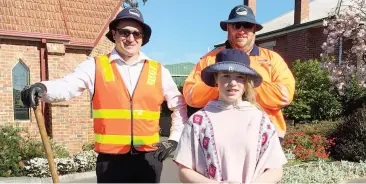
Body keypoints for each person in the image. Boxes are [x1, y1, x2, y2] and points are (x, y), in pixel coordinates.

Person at [20, 7, 188, 183]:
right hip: (111, 162)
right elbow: (67, 86)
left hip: (149, 159)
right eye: (125, 32)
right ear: (114, 34)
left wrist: (174, 139)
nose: (131, 38)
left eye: (136, 34)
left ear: (142, 38)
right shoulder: (95, 66)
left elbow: (179, 105)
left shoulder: (158, 70)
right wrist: (42, 88)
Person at [183, 5, 295, 142]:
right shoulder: (209, 59)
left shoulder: (272, 59)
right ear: (228, 29)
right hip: (218, 134)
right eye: (236, 25)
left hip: (266, 134)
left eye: (247, 25)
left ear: (254, 29)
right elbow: (190, 94)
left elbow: (285, 95)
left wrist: (247, 84)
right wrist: (225, 87)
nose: (242, 30)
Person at [174, 49, 287, 183]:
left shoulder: (261, 121)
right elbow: (184, 170)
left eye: (239, 76)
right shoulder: (198, 121)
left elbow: (275, 169)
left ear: (247, 81)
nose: (233, 83)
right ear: (216, 78)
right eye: (226, 75)